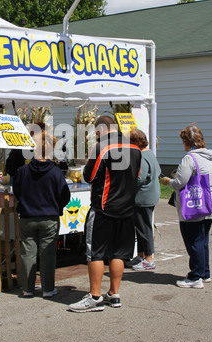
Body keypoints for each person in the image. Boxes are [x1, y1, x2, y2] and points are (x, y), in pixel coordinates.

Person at [68, 115, 141, 312]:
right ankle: (114, 293)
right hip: (126, 210)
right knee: (119, 253)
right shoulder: (135, 148)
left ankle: (94, 297)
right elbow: (137, 177)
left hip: (104, 209)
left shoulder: (103, 146)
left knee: (96, 254)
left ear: (100, 129)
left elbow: (89, 176)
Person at [13, 130, 70, 298]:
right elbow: (64, 195)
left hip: (27, 217)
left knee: (27, 254)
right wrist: (56, 206)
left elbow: (17, 191)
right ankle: (48, 289)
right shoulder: (55, 172)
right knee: (48, 254)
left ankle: (28, 288)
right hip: (49, 217)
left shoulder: (23, 170)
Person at [160, 124, 212, 289]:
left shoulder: (189, 158)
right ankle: (204, 272)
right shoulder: (211, 156)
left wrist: (167, 181)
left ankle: (195, 276)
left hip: (194, 205)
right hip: (209, 202)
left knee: (193, 241)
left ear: (187, 141)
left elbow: (179, 183)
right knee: (203, 240)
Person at [129, 128, 161, 271]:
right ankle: (141, 256)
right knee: (142, 227)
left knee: (144, 229)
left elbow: (139, 178)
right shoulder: (150, 153)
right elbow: (158, 171)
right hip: (151, 195)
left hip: (143, 197)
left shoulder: (141, 157)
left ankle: (148, 259)